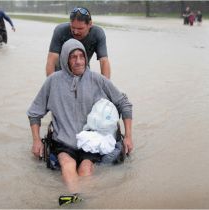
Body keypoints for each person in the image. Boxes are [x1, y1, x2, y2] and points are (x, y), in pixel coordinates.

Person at [27, 39, 133, 199]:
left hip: (91, 140)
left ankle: (83, 200)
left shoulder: (98, 80)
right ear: (65, 60)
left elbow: (124, 104)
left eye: (81, 56)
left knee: (86, 168)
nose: (78, 61)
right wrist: (36, 140)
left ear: (86, 58)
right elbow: (34, 113)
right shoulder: (53, 81)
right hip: (64, 140)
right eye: (73, 57)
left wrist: (129, 136)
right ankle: (76, 197)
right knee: (67, 164)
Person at [46, 7, 111, 79]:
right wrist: (51, 84)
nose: (75, 32)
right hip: (61, 74)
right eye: (73, 27)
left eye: (80, 28)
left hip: (83, 73)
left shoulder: (97, 34)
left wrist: (105, 87)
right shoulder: (61, 30)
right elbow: (51, 60)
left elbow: (104, 61)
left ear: (90, 24)